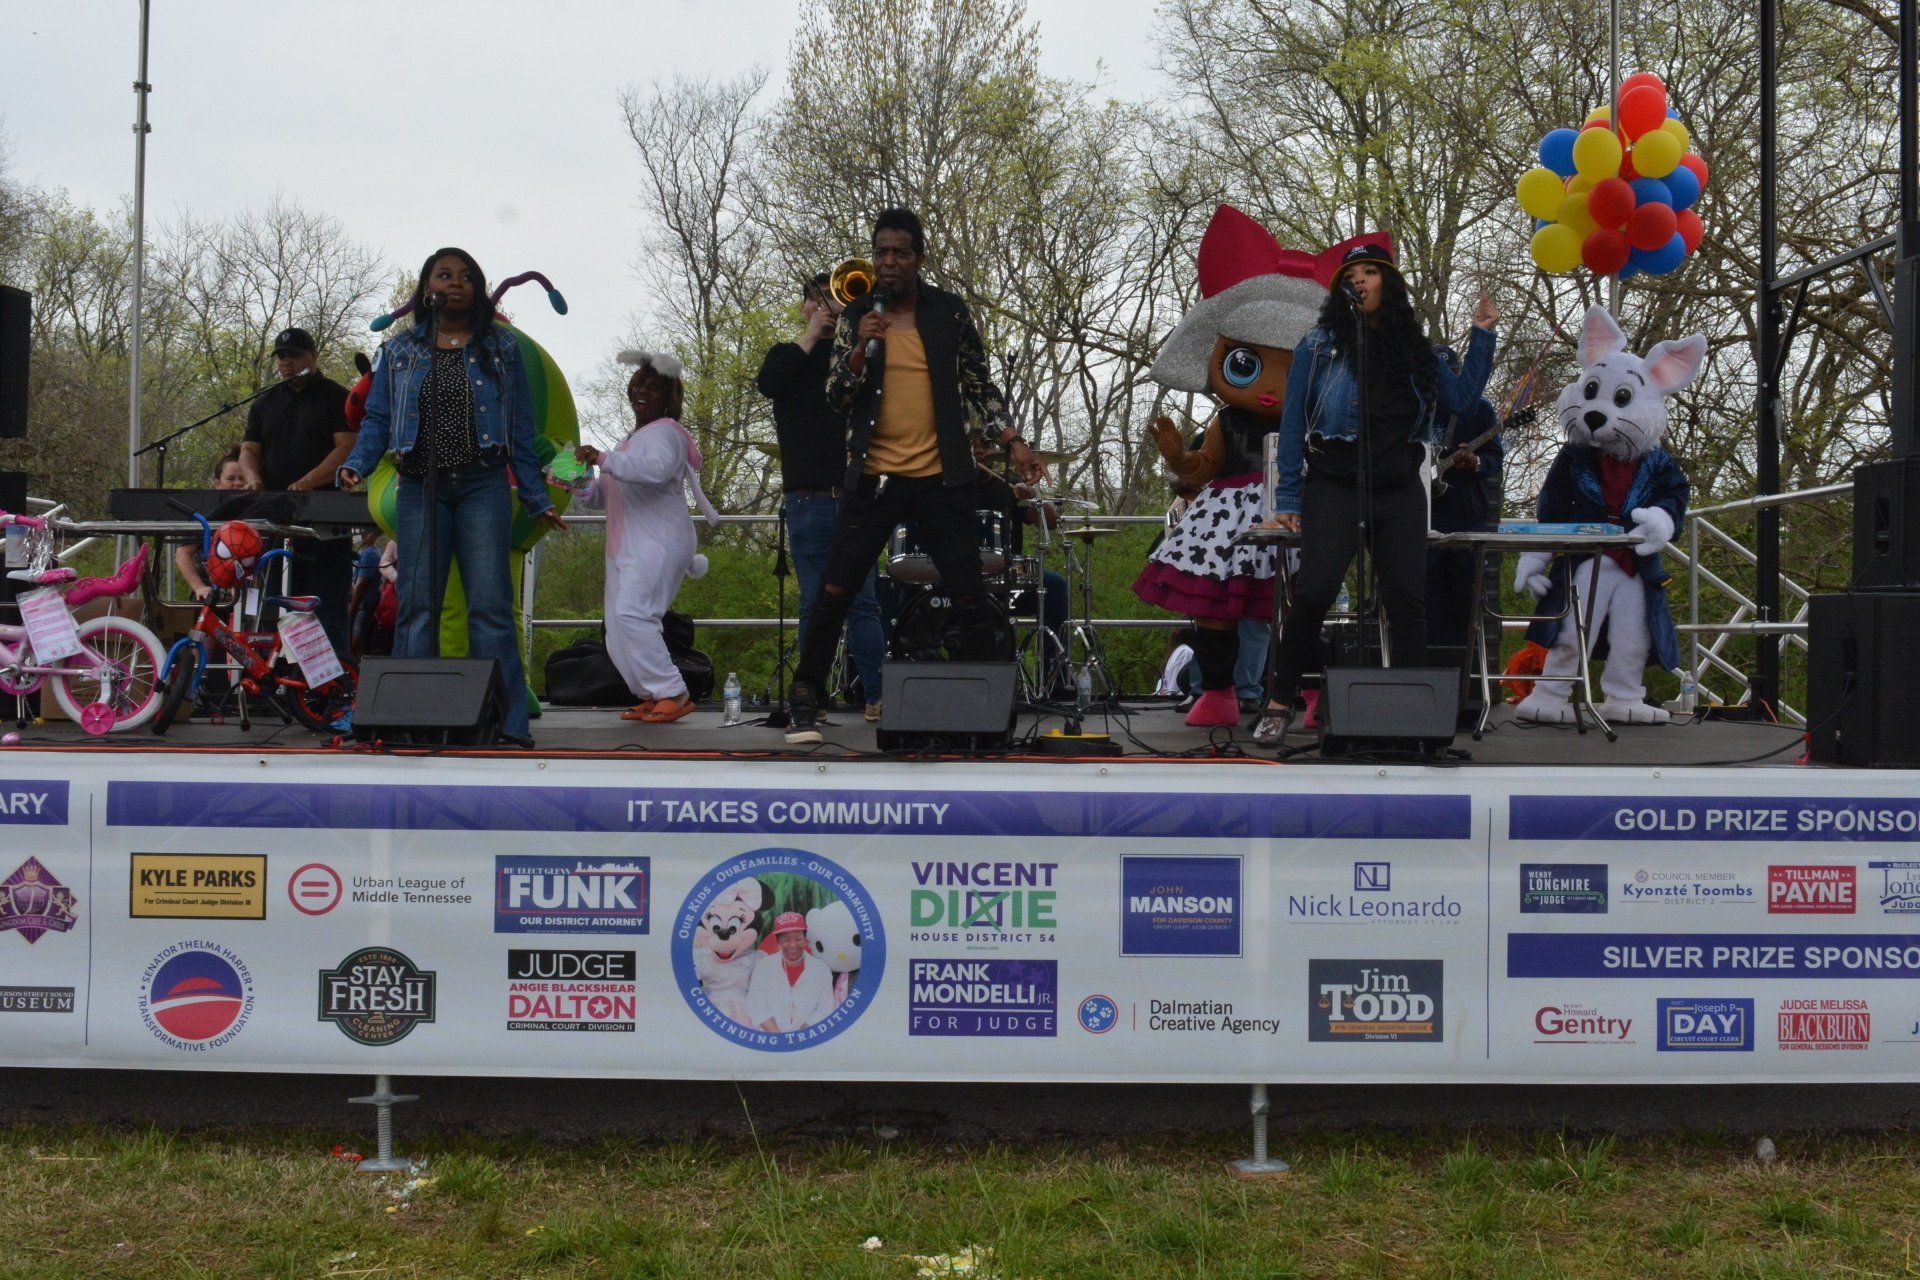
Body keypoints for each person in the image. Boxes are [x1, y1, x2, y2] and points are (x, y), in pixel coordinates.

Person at [782, 207, 1041, 744]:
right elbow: (836, 398)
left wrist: (1013, 442)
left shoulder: (949, 312)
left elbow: (980, 385)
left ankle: (988, 711)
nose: (889, 262)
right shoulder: (857, 315)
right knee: (834, 590)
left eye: (900, 253)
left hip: (941, 477)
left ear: (919, 259)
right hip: (874, 479)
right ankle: (805, 701)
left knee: (969, 593)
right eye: (881, 252)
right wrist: (859, 349)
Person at [1256, 238, 1499, 745]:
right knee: (1315, 592)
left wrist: (1482, 337)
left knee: (1407, 600)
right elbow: (1293, 424)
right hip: (1334, 485)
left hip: (1398, 488)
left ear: (1388, 283)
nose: (1359, 281)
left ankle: (1411, 711)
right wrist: (1289, 500)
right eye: (1350, 277)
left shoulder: (1417, 349)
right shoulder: (1318, 345)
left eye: (1369, 272)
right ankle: (1279, 701)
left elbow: (1461, 399)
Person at [338, 247, 563, 746]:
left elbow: (521, 428)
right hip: (420, 487)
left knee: (491, 607)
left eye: (465, 276)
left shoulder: (501, 347)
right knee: (417, 607)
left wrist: (536, 497)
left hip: (483, 485)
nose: (455, 283)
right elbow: (377, 419)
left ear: (477, 289)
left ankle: (507, 724)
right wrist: (358, 463)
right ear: (427, 288)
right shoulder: (399, 350)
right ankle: (411, 721)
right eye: (444, 275)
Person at [754, 274, 886, 719]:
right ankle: (812, 696)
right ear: (805, 308)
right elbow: (770, 382)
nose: (826, 306)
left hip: (854, 497)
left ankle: (878, 697)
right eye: (817, 300)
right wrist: (812, 334)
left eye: (834, 299)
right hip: (807, 500)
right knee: (813, 603)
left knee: (863, 604)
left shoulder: (855, 358)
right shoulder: (788, 355)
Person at [573, 351, 719, 724]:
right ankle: (651, 693)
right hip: (625, 546)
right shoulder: (630, 442)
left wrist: (603, 458)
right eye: (638, 385)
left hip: (658, 542)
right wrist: (575, 475)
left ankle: (672, 691)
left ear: (669, 398)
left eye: (653, 388)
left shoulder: (667, 433)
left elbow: (655, 471)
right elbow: (600, 498)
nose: (642, 391)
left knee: (633, 613)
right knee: (617, 626)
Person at [239, 326, 357, 651]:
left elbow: (347, 447)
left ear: (313, 356)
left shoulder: (336, 396)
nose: (286, 362)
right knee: (272, 602)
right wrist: (253, 478)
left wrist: (309, 481)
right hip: (275, 517)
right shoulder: (265, 402)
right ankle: (273, 673)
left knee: (325, 605)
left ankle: (333, 676)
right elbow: (249, 450)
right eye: (281, 357)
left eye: (293, 355)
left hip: (324, 519)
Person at [173, 448, 250, 602]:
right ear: (217, 484)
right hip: (211, 592)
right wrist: (199, 587)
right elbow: (182, 554)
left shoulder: (257, 513)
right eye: (231, 478)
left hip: (248, 593)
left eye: (242, 478)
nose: (237, 483)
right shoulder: (206, 515)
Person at [745, 911, 835, 1032]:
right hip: (770, 1036)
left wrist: (801, 1035)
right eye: (786, 940)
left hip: (809, 1036)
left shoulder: (821, 969)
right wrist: (778, 1037)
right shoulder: (764, 966)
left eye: (798, 939)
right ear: (778, 941)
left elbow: (825, 1008)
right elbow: (756, 1006)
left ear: (805, 939)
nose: (793, 944)